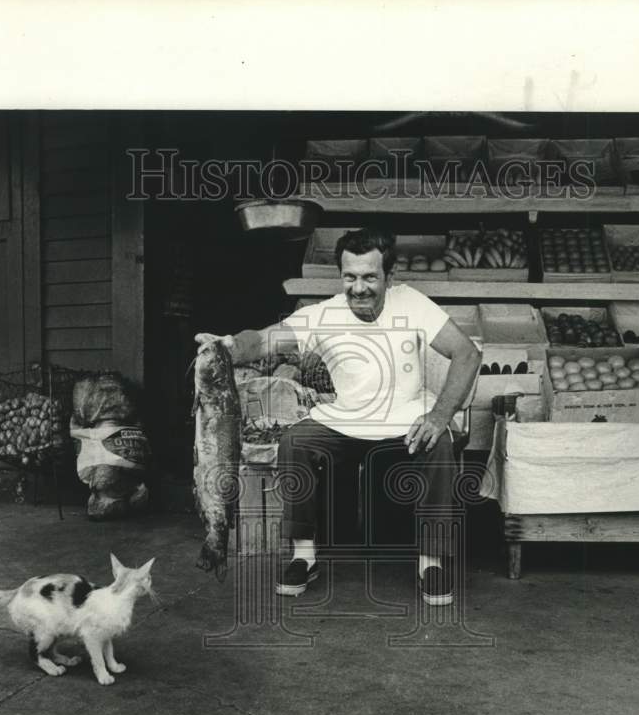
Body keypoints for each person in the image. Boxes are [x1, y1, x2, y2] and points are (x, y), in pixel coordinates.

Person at [195, 227, 481, 605]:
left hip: (404, 420)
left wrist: (439, 415)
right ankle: (304, 556)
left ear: (389, 277)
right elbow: (264, 340)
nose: (358, 287)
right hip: (345, 421)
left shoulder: (411, 303)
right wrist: (227, 346)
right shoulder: (324, 314)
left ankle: (430, 562)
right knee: (296, 441)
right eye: (350, 277)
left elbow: (467, 354)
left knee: (439, 441)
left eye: (369, 277)